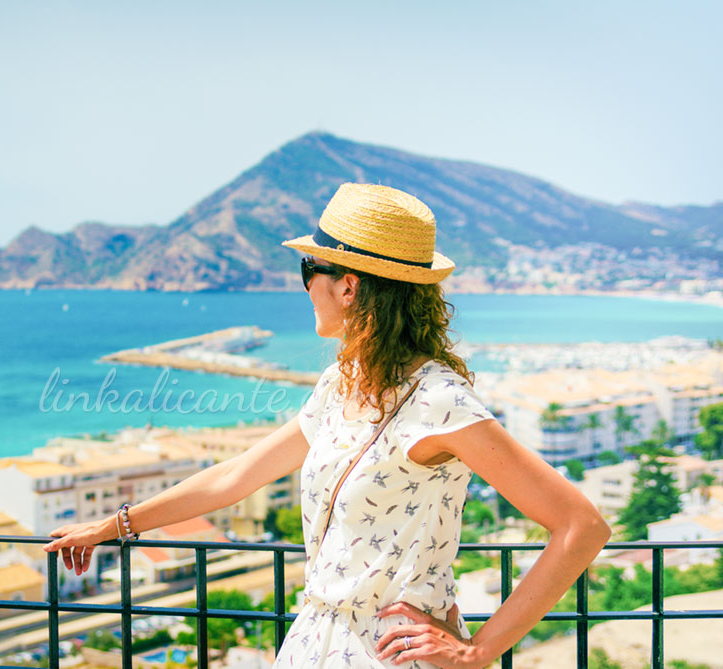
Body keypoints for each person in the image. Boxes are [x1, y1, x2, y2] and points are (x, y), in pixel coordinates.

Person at [44, 183, 611, 668]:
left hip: (387, 653)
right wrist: (115, 525)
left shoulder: (441, 401)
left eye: (309, 269)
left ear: (349, 286)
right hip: (313, 642)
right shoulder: (343, 383)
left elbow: (580, 526)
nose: (305, 285)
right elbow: (237, 477)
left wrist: (479, 651)